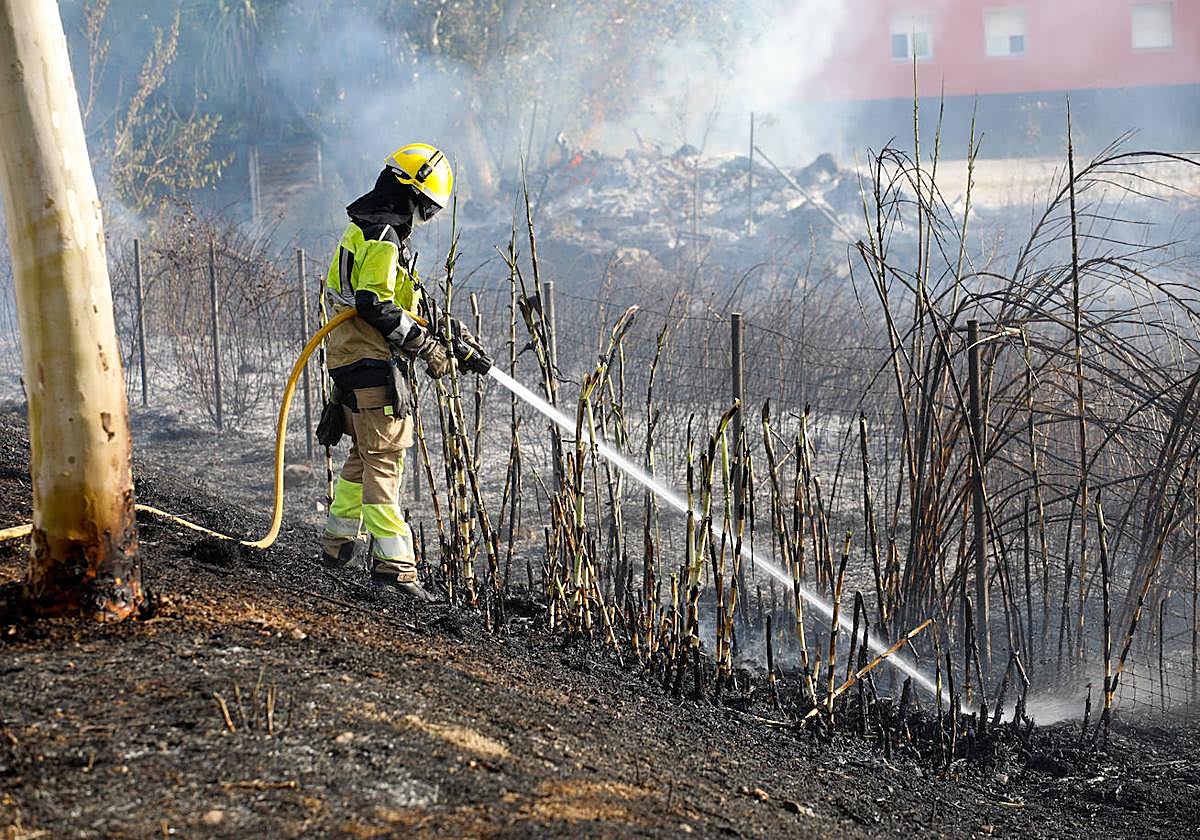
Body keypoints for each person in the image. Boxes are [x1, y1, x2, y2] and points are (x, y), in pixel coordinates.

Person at [319, 142, 466, 600]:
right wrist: (426, 347)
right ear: (411, 194)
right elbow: (375, 303)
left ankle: (337, 541)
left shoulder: (368, 229)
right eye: (425, 208)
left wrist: (446, 330)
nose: (424, 218)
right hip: (368, 360)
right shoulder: (383, 236)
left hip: (348, 357)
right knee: (386, 457)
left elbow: (402, 297)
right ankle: (395, 567)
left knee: (366, 454)